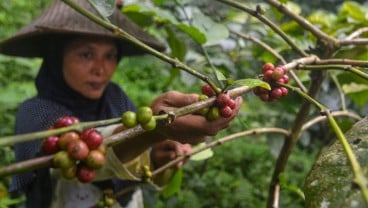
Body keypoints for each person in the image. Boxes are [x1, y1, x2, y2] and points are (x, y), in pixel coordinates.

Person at [0, 0, 242, 208]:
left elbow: (135, 161)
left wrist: (158, 155)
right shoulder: (36, 111)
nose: (100, 68)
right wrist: (152, 131)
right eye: (86, 54)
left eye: (110, 56)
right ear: (56, 57)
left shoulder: (115, 96)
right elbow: (70, 162)